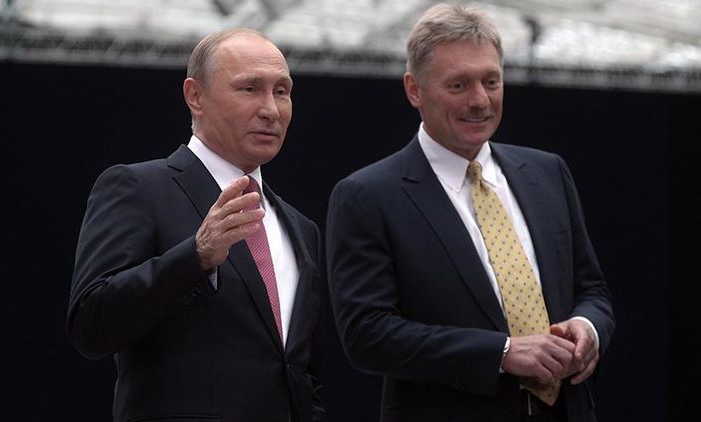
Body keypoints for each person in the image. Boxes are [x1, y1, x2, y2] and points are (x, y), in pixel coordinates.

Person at [326, 4, 615, 422]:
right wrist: (502, 353)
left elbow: (592, 290)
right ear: (414, 89)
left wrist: (588, 329)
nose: (480, 100)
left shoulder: (548, 172)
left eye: (491, 81)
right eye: (459, 85)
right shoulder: (368, 196)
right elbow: (367, 335)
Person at [68, 28, 325, 422]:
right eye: (250, 88)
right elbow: (91, 323)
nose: (271, 110)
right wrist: (196, 256)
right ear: (195, 96)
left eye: (282, 91)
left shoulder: (301, 228)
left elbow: (301, 370)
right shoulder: (139, 188)